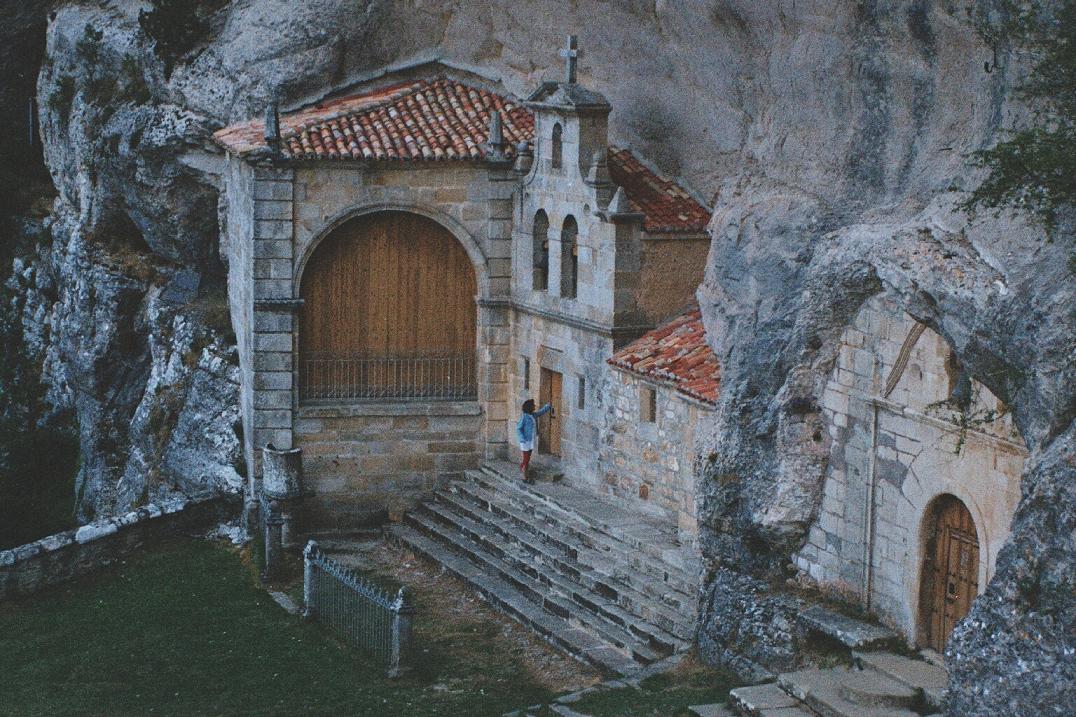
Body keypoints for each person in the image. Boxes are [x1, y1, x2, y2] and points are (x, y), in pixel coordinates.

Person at [516, 398, 552, 484]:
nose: (534, 406)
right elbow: (519, 428)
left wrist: (548, 406)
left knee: (527, 459)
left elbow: (541, 412)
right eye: (533, 405)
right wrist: (522, 438)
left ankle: (523, 471)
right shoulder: (524, 417)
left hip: (531, 440)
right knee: (526, 459)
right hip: (525, 441)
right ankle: (525, 477)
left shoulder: (532, 415)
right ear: (529, 407)